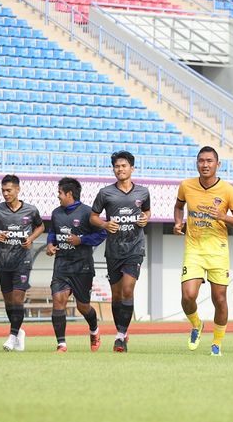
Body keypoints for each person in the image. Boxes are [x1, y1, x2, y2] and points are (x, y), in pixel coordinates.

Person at [174, 146, 233, 357]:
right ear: (197, 163)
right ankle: (196, 324)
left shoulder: (228, 190)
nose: (205, 165)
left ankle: (217, 343)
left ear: (217, 164)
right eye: (201, 161)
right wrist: (179, 222)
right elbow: (179, 206)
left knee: (220, 299)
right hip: (194, 248)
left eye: (209, 161)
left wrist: (223, 217)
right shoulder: (186, 185)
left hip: (218, 250)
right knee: (188, 296)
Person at [90, 151, 151, 352]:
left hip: (135, 248)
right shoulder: (105, 193)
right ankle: (123, 332)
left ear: (132, 168)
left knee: (127, 289)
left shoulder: (143, 192)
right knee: (116, 296)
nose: (120, 169)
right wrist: (105, 224)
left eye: (124, 166)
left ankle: (119, 337)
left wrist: (145, 218)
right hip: (114, 250)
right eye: (117, 166)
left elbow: (147, 211)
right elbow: (93, 217)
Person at [46, 177, 107, 353]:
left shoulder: (88, 213)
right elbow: (52, 232)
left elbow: (102, 233)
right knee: (58, 300)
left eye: (60, 192)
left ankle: (94, 330)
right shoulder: (56, 213)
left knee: (83, 306)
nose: (58, 196)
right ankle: (61, 344)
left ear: (69, 194)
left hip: (82, 267)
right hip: (61, 265)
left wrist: (81, 240)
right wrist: (50, 245)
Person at [0, 175, 45, 352]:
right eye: (3, 190)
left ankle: (11, 337)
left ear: (18, 190)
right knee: (9, 303)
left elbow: (40, 227)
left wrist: (31, 238)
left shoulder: (31, 210)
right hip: (3, 260)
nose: (5, 193)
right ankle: (19, 333)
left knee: (18, 299)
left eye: (9, 190)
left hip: (23, 260)